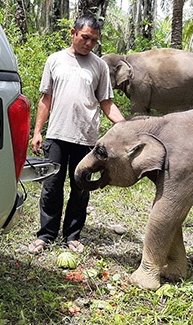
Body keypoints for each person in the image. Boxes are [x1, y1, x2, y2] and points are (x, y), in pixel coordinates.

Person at [28, 13, 125, 254]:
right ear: (73, 33)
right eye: (85, 37)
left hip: (86, 139)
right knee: (51, 186)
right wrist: (37, 131)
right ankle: (46, 235)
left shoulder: (99, 66)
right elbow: (45, 99)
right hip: (58, 134)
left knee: (81, 188)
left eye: (94, 40)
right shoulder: (55, 60)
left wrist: (126, 126)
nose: (89, 43)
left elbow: (106, 102)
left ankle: (72, 236)